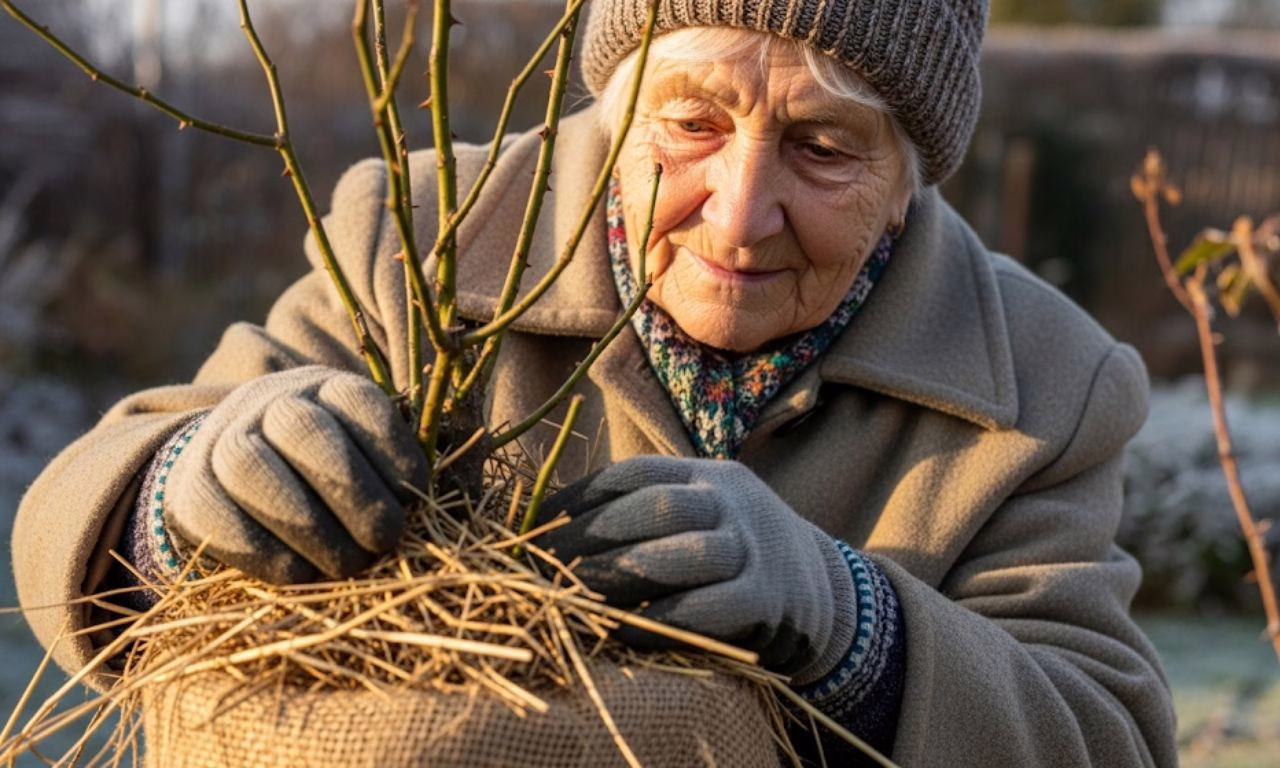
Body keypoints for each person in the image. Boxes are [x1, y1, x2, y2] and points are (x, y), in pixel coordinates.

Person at [13, 0, 1178, 764]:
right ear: (610, 108)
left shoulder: (1038, 381)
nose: (738, 213)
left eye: (823, 149)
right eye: (690, 123)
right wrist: (184, 491)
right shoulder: (423, 240)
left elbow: (1103, 737)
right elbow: (80, 535)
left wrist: (848, 618)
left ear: (911, 174)